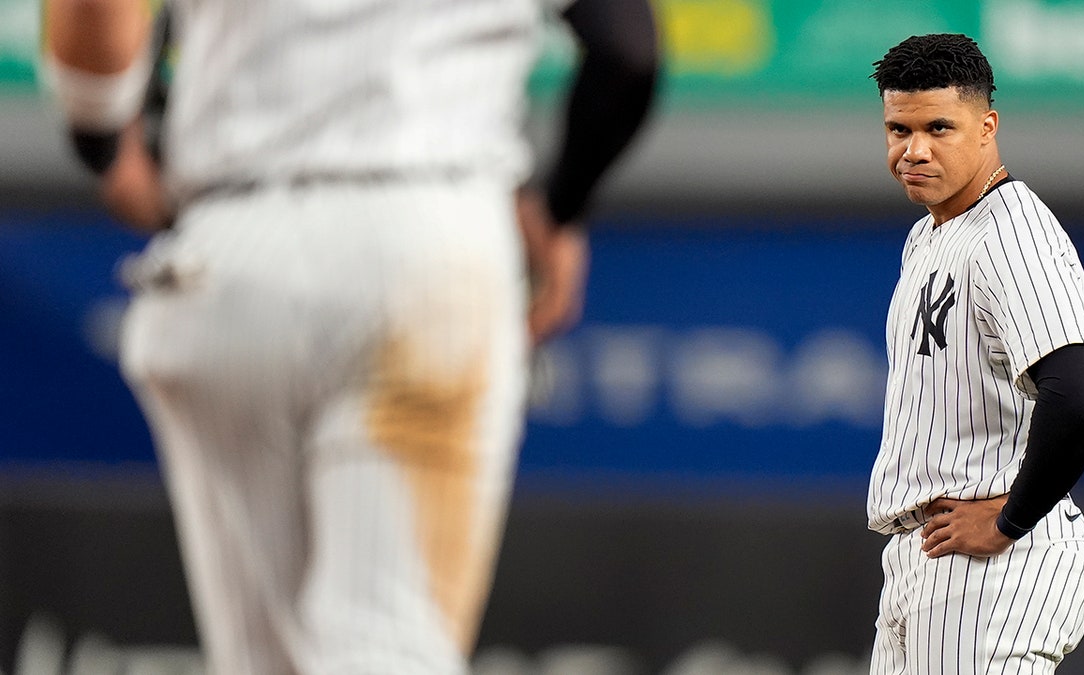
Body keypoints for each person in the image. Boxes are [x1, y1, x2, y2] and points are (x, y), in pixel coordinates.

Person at [42, 0, 659, 672]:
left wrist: (103, 139)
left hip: (226, 250)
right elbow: (627, 51)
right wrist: (561, 208)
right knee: (388, 648)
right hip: (427, 237)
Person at [865, 34, 1084, 673]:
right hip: (933, 558)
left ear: (987, 126)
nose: (913, 149)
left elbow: (1080, 392)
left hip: (996, 564)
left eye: (938, 127)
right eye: (899, 129)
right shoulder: (931, 233)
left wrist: (1010, 519)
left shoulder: (1013, 232)